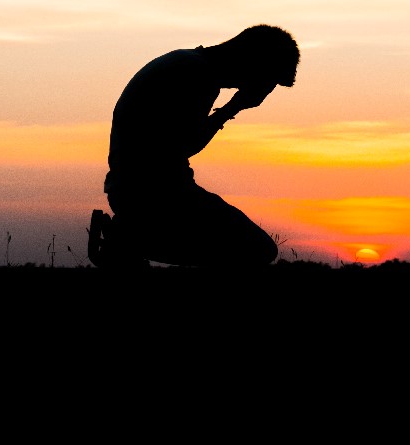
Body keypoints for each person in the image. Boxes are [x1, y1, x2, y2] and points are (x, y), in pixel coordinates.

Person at [88, 25, 298, 268]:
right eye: (269, 79)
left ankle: (129, 239)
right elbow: (186, 144)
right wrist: (233, 107)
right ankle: (130, 239)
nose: (266, 89)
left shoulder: (187, 64)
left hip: (140, 190)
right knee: (256, 250)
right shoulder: (197, 74)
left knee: (242, 249)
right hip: (156, 195)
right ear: (253, 62)